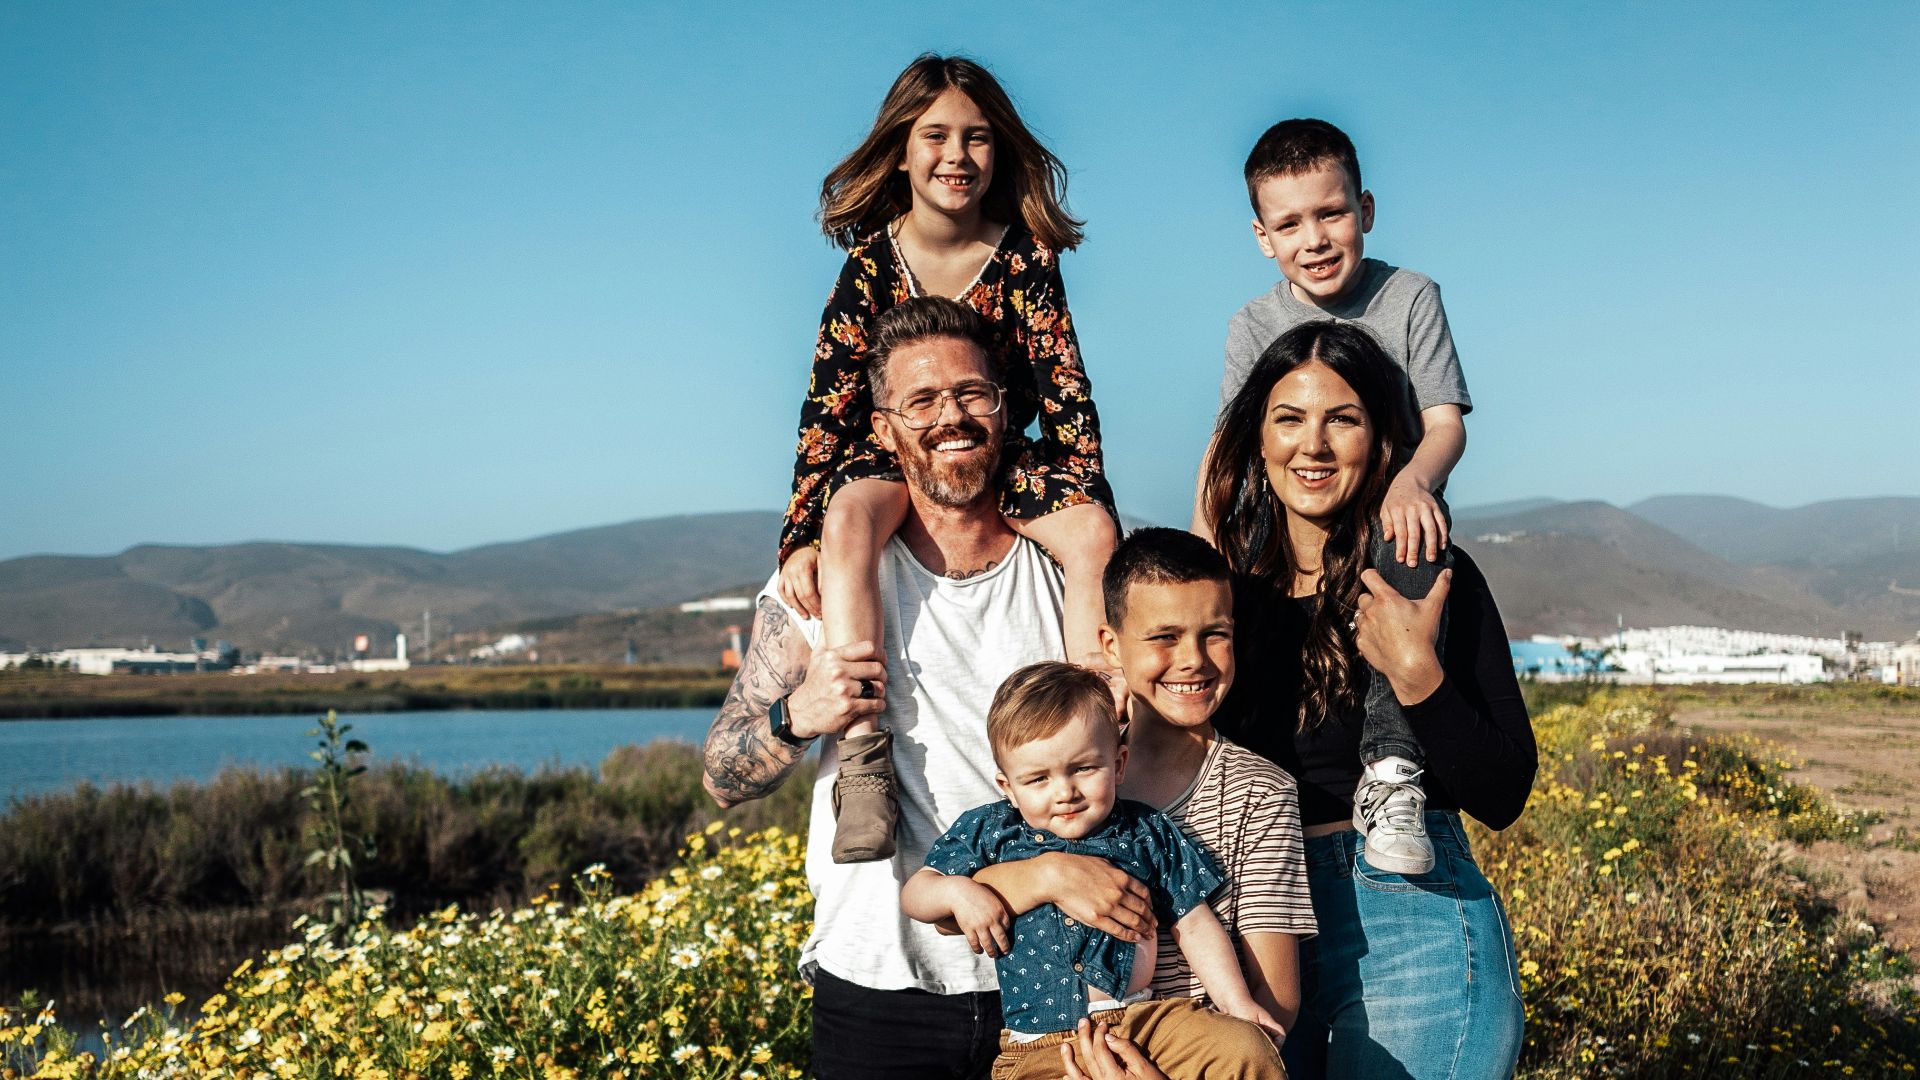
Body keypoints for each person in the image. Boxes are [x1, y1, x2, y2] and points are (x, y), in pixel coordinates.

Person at [705, 296, 1074, 1080]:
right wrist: (801, 713)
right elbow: (721, 777)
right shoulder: (818, 590)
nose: (952, 417)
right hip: (876, 982)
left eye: (973, 394)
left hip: (1053, 976)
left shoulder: (1067, 575)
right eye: (922, 401)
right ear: (882, 429)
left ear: (1005, 410)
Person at [778, 54, 1119, 866]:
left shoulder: (1026, 258)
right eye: (935, 136)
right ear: (901, 150)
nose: (956, 156)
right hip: (890, 456)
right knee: (849, 516)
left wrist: (1085, 501)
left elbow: (1066, 393)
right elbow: (826, 411)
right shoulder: (868, 265)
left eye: (976, 137)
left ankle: (1105, 726)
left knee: (1093, 534)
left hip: (1003, 454)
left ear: (999, 151)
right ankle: (864, 757)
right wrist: (798, 536)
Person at [1200, 320, 1535, 1079]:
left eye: (1343, 419)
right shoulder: (1222, 596)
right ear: (1258, 439)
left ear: (1381, 439)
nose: (1313, 446)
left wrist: (1417, 676)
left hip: (1409, 918)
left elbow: (1504, 791)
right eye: (1289, 419)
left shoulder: (1429, 575)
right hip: (1250, 924)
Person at [1193, 118, 1474, 877]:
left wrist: (1414, 479)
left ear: (1365, 210)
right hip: (1287, 524)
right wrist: (1200, 549)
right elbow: (1226, 447)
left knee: (1409, 541)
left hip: (1389, 518)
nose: (1314, 239)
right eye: (1289, 224)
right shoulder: (1253, 324)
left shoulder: (1409, 296)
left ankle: (1392, 773)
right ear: (1262, 237)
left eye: (1331, 213)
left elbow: (1445, 424)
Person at [901, 661, 1286, 1080]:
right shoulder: (991, 831)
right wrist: (958, 892)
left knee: (1245, 1050)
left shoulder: (1145, 830)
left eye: (1083, 768)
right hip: (1039, 1045)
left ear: (1118, 764)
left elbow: (1193, 923)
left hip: (1147, 1022)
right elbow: (917, 893)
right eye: (1038, 779)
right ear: (1007, 787)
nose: (1065, 791)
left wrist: (1236, 1003)